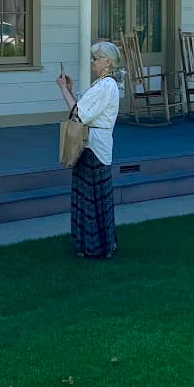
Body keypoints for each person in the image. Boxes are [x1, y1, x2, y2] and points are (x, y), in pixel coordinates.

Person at [57, 41, 122, 259]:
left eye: (96, 58)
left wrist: (64, 90)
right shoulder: (102, 84)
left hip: (94, 146)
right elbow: (85, 108)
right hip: (92, 144)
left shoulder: (105, 86)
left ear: (108, 62)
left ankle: (96, 246)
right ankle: (99, 244)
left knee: (92, 196)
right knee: (93, 195)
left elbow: (79, 113)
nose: (92, 62)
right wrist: (71, 90)